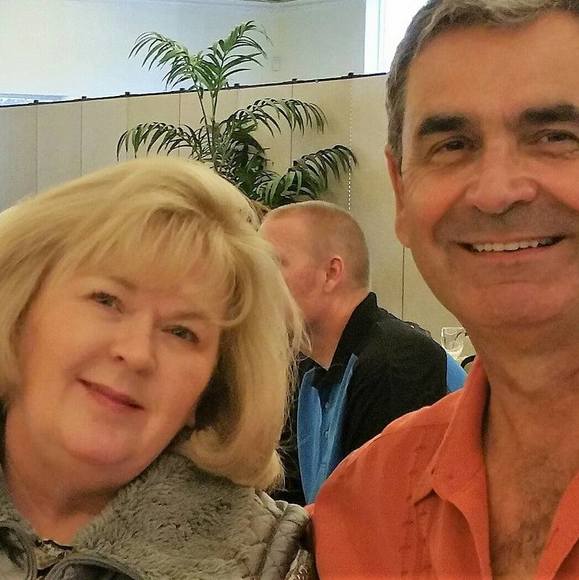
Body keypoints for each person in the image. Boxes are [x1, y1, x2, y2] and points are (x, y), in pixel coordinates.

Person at [312, 1, 579, 578]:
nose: (497, 192)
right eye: (453, 145)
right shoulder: (361, 508)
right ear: (400, 192)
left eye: (556, 136)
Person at [0, 157, 314, 579]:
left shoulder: (272, 564)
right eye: (107, 300)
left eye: (182, 332)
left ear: (209, 389)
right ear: (19, 311)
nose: (137, 353)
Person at [261, 201, 456, 504]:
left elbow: (386, 514)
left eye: (273, 264)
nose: (256, 280)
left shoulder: (395, 363)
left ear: (331, 273)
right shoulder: (308, 368)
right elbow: (287, 496)